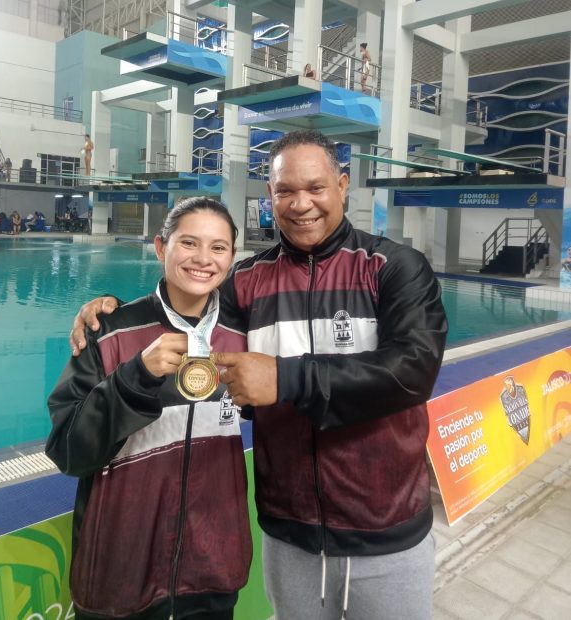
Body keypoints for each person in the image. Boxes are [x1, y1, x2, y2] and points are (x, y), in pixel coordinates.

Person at [70, 130, 448, 620]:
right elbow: (187, 310)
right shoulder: (246, 282)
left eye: (315, 188)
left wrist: (287, 379)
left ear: (342, 185)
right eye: (285, 191)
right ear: (270, 195)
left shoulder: (393, 268)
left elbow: (414, 370)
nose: (301, 204)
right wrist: (112, 312)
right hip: (290, 534)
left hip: (386, 530)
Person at [46, 196, 252, 620]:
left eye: (218, 247)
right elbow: (68, 451)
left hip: (211, 572)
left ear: (232, 257)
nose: (203, 259)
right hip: (119, 576)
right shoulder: (109, 333)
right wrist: (134, 377)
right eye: (188, 243)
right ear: (161, 247)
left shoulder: (244, 336)